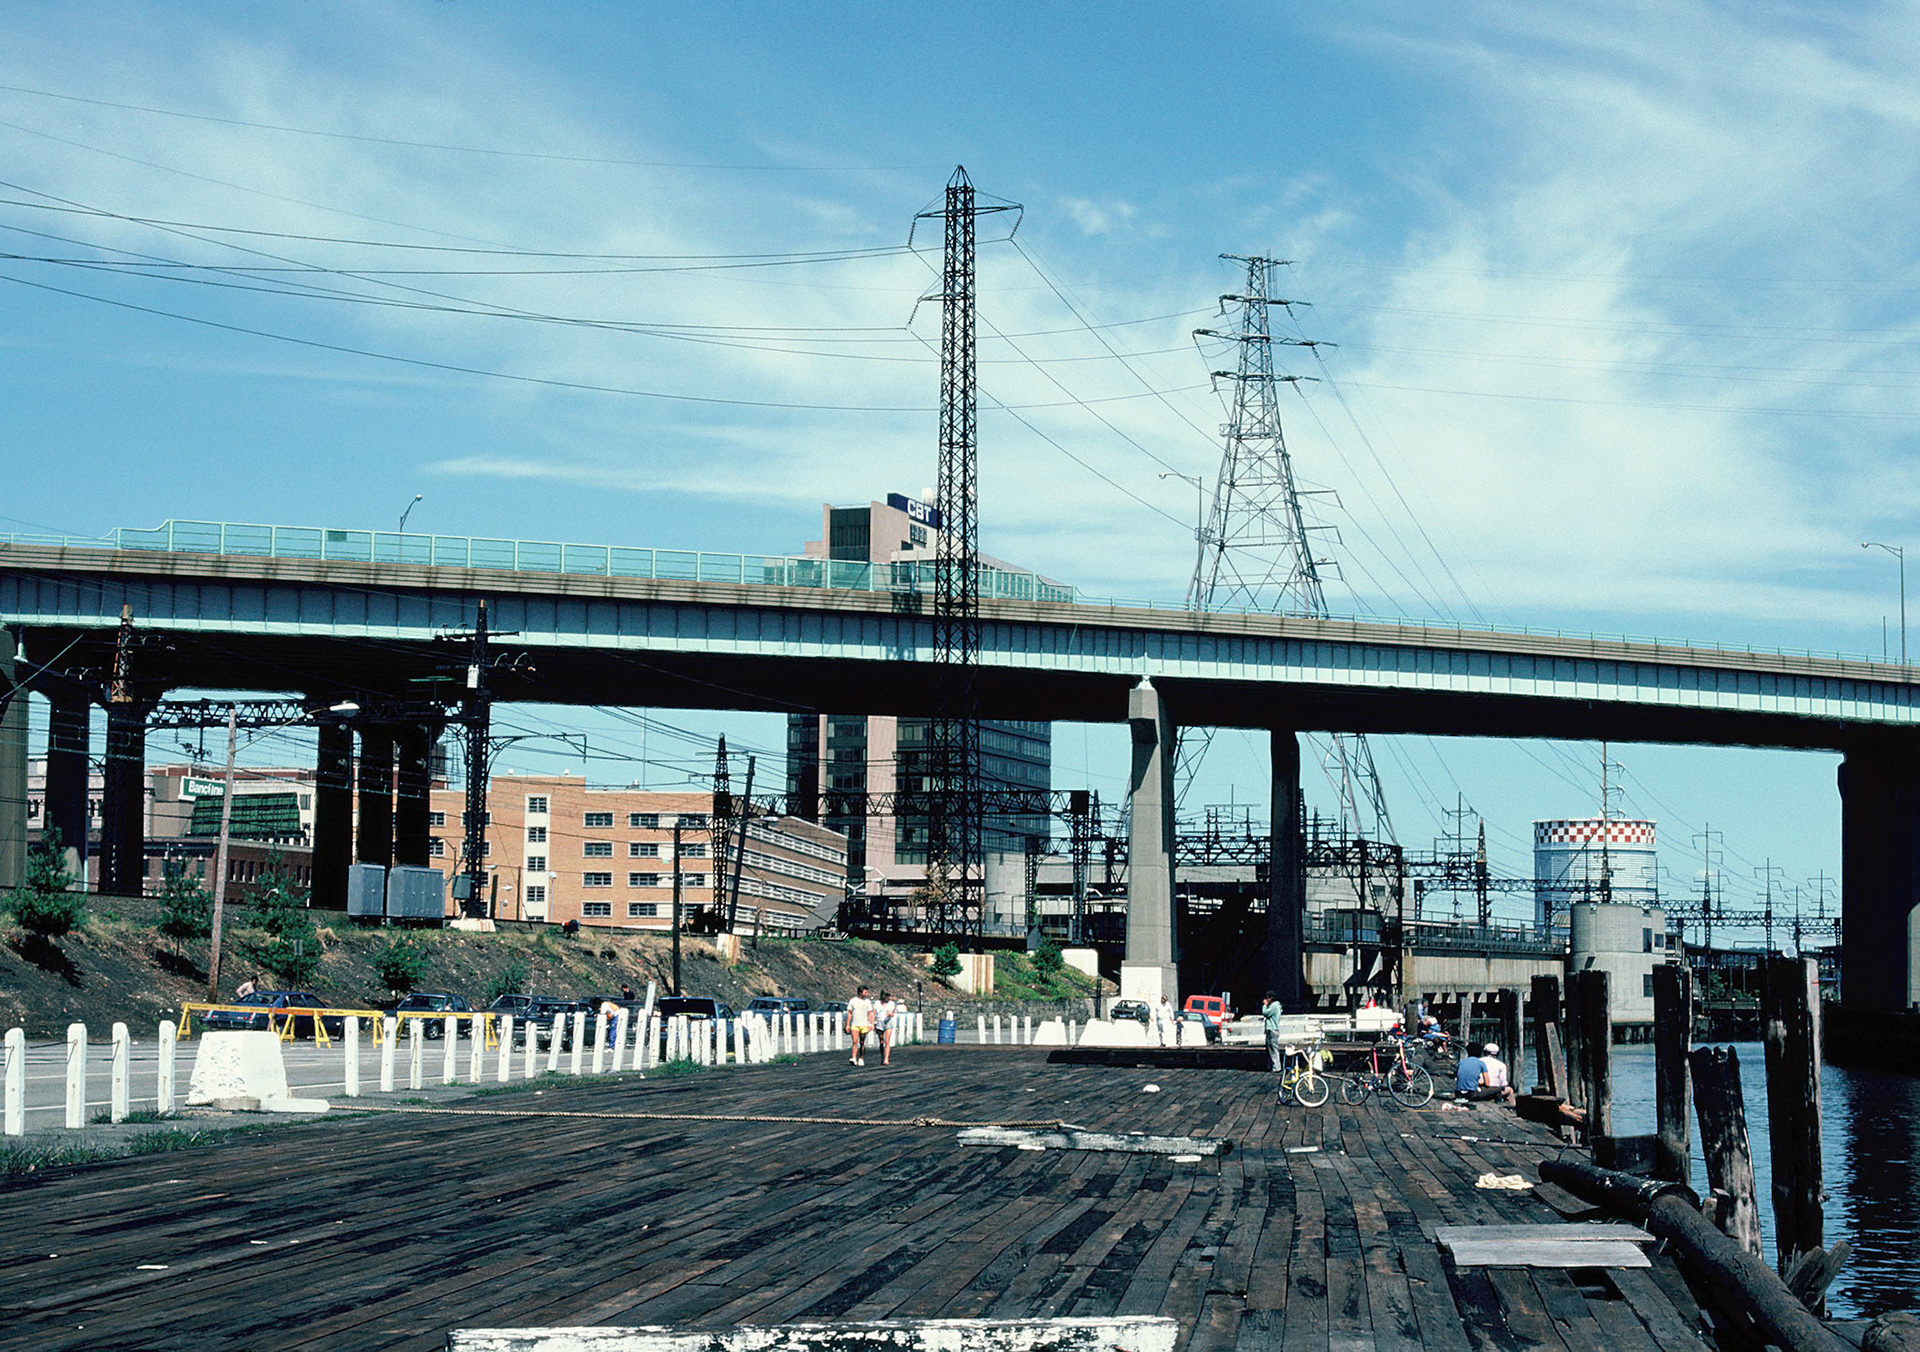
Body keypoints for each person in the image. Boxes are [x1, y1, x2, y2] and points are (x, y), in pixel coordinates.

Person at [846, 985, 874, 1067]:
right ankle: (853, 1058)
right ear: (860, 992)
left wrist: (871, 1024)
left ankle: (861, 1058)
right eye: (865, 992)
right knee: (855, 1041)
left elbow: (870, 1013)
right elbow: (849, 1013)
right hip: (855, 1024)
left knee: (862, 1042)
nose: (867, 994)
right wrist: (847, 1025)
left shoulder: (867, 1002)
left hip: (864, 1024)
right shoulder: (853, 1001)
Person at [1261, 991, 1284, 1073]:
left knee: (1273, 1049)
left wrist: (1264, 1005)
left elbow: (1265, 1013)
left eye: (1267, 997)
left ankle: (1276, 1067)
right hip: (1270, 1029)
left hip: (1272, 1029)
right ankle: (1271, 1066)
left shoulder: (1274, 1006)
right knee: (1269, 1049)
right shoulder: (1275, 1006)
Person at [875, 990, 898, 1066]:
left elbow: (893, 1012)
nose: (888, 998)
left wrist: (890, 1015)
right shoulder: (877, 1003)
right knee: (881, 1041)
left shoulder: (891, 1004)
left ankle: (886, 1058)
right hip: (880, 1021)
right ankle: (882, 1056)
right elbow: (874, 1012)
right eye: (886, 996)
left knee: (887, 1041)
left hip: (888, 1021)